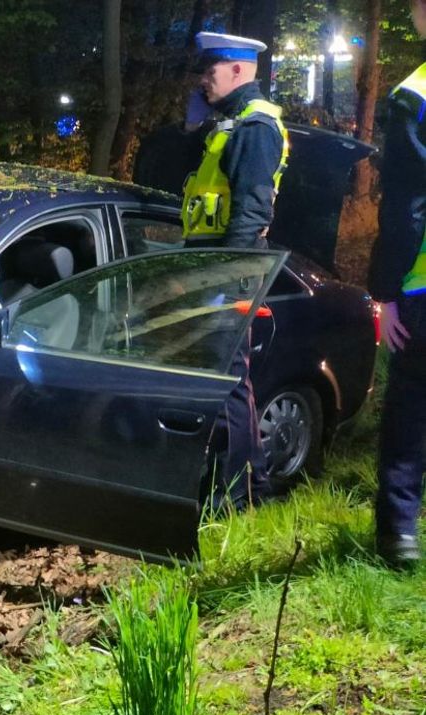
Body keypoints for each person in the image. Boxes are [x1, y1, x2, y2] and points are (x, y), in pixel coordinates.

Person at [182, 32, 290, 508]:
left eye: (212, 70)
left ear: (240, 71)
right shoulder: (230, 123)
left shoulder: (254, 127)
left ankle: (243, 494)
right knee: (221, 382)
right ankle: (241, 486)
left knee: (227, 385)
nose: (204, 79)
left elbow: (251, 212)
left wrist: (229, 280)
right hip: (214, 267)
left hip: (229, 272)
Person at [371, 0, 426, 568]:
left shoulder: (417, 94)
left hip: (423, 290)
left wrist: (384, 291)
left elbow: (408, 208)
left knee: (411, 403)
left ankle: (399, 534)